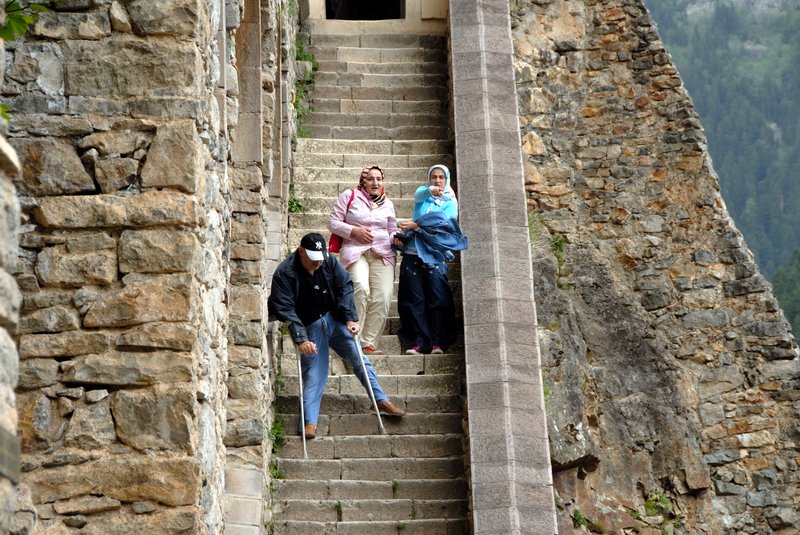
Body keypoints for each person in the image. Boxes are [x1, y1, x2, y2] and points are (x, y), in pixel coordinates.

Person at [267, 232, 405, 439]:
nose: (318, 262)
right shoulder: (284, 273)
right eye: (313, 258)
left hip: (334, 318)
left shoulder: (328, 261)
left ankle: (380, 399)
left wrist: (350, 318)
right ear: (301, 252)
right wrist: (301, 339)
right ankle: (309, 422)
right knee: (315, 373)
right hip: (310, 325)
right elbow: (285, 308)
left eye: (321, 257)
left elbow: (345, 287)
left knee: (359, 359)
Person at [394, 164, 467, 355]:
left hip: (435, 254)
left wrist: (416, 226)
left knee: (437, 297)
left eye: (441, 177)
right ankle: (418, 341)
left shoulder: (451, 202)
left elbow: (442, 224)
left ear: (447, 179)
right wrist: (429, 192)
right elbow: (420, 196)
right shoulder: (423, 195)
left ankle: (437, 342)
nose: (437, 181)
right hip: (412, 251)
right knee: (413, 298)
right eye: (434, 177)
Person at [327, 166, 398, 356]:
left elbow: (392, 229)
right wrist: (353, 231)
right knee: (360, 287)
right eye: (371, 179)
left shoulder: (387, 203)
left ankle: (368, 343)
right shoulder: (349, 195)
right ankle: (353, 340)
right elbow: (332, 222)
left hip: (382, 253)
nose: (375, 183)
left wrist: (397, 237)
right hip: (355, 251)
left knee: (383, 296)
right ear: (363, 181)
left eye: (379, 179)